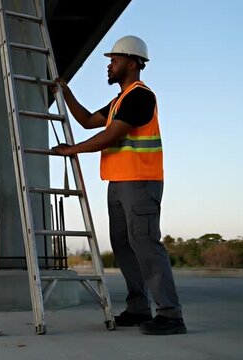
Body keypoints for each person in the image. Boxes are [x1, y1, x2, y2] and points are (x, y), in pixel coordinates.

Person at [50, 35, 186, 335]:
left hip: (140, 183)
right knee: (124, 247)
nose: (109, 66)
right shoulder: (119, 102)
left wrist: (70, 150)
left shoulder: (140, 96)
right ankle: (139, 307)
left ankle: (171, 314)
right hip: (118, 184)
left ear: (133, 62)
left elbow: (111, 136)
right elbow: (87, 121)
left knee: (146, 245)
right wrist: (66, 92)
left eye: (114, 60)